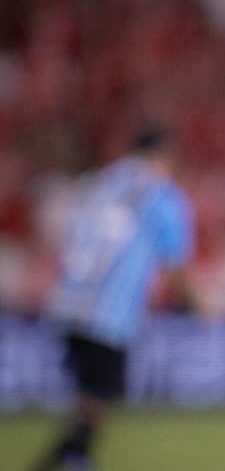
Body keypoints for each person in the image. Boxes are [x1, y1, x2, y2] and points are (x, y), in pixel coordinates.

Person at [29, 128, 196, 471]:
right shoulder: (162, 194)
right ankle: (72, 456)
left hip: (68, 301)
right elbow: (175, 266)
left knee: (89, 392)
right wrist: (199, 305)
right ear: (165, 154)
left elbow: (64, 239)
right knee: (100, 393)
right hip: (110, 311)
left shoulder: (98, 183)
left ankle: (68, 455)